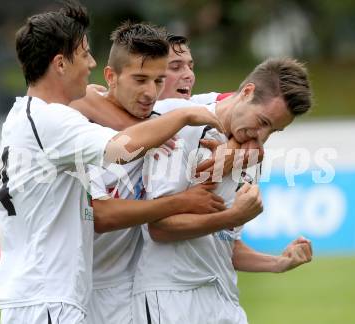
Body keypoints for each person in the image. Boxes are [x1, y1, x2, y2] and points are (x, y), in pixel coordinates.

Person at [0, 2, 225, 323]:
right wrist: (182, 116)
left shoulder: (31, 115)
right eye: (84, 54)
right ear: (60, 64)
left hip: (45, 294)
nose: (91, 64)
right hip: (47, 297)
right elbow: (119, 150)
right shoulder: (50, 119)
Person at [69, 22, 262, 324]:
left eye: (158, 80)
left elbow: (251, 110)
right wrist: (184, 201)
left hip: (132, 291)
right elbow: (101, 216)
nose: (150, 90)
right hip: (82, 288)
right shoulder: (84, 125)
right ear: (111, 77)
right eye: (141, 79)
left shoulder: (178, 110)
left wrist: (241, 149)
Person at [132, 58, 313, 324]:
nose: (261, 137)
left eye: (273, 130)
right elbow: (159, 228)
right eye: (262, 121)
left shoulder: (250, 155)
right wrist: (232, 216)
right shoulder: (182, 127)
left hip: (224, 299)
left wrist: (278, 263)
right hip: (171, 298)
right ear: (247, 92)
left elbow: (225, 243)